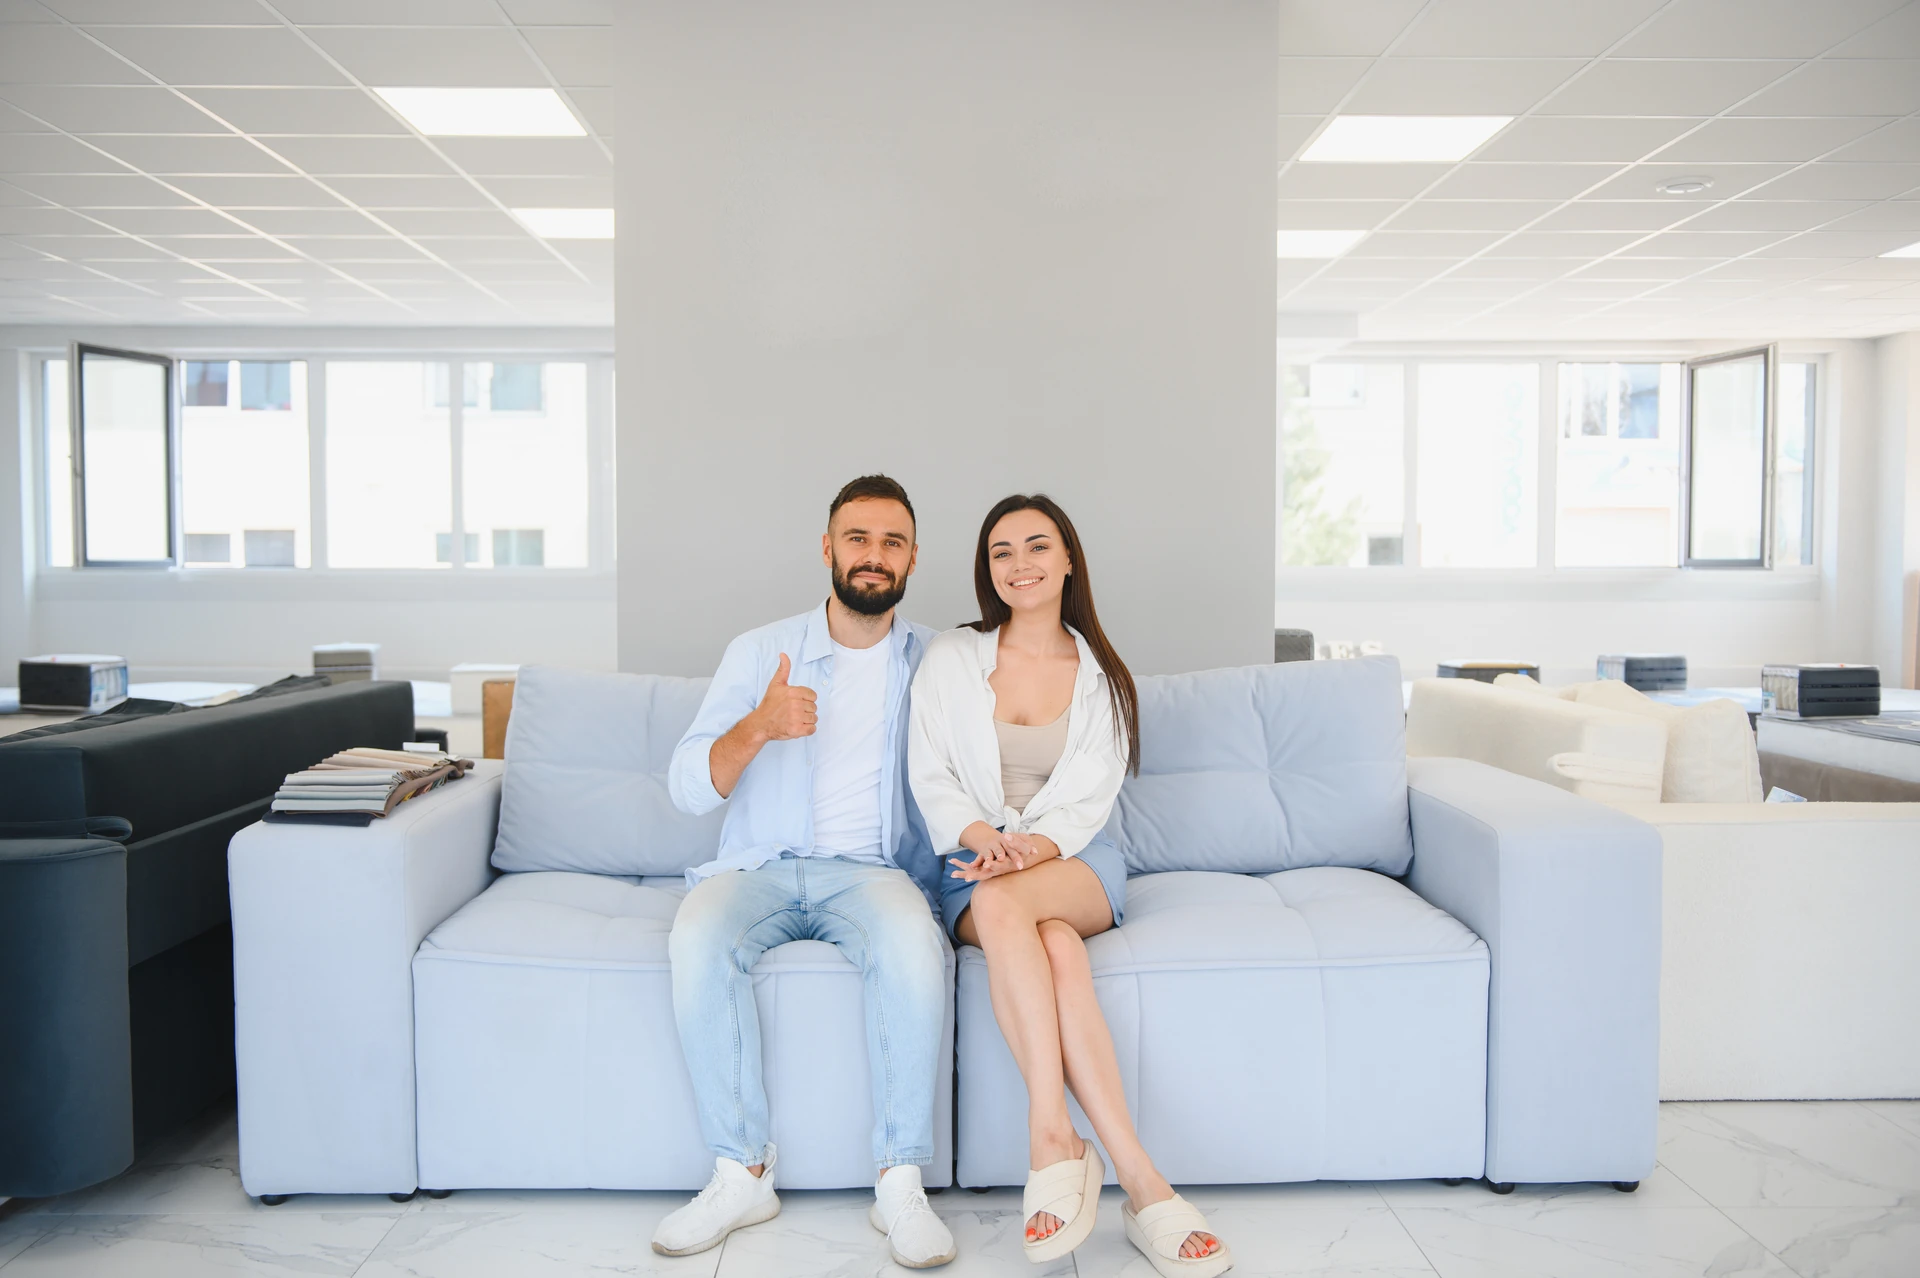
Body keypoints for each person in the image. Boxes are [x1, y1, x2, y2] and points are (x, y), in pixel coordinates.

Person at [908, 494, 1231, 1278]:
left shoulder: (1101, 676)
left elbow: (1089, 798)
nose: (1019, 564)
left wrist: (1033, 850)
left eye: (1036, 547)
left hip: (1076, 862)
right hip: (973, 862)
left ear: (1068, 561)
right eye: (1001, 552)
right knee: (1050, 941)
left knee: (1012, 902)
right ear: (988, 572)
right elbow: (932, 773)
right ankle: (1144, 1183)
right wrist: (987, 840)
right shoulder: (951, 657)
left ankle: (1051, 1136)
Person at [653, 475, 956, 1269]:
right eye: (857, 539)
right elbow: (687, 785)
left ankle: (899, 1182)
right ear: (827, 549)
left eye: (892, 542)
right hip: (760, 866)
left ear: (913, 559)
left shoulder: (938, 660)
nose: (873, 556)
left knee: (913, 946)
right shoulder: (760, 652)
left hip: (872, 873)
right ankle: (741, 1173)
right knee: (695, 937)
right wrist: (758, 726)